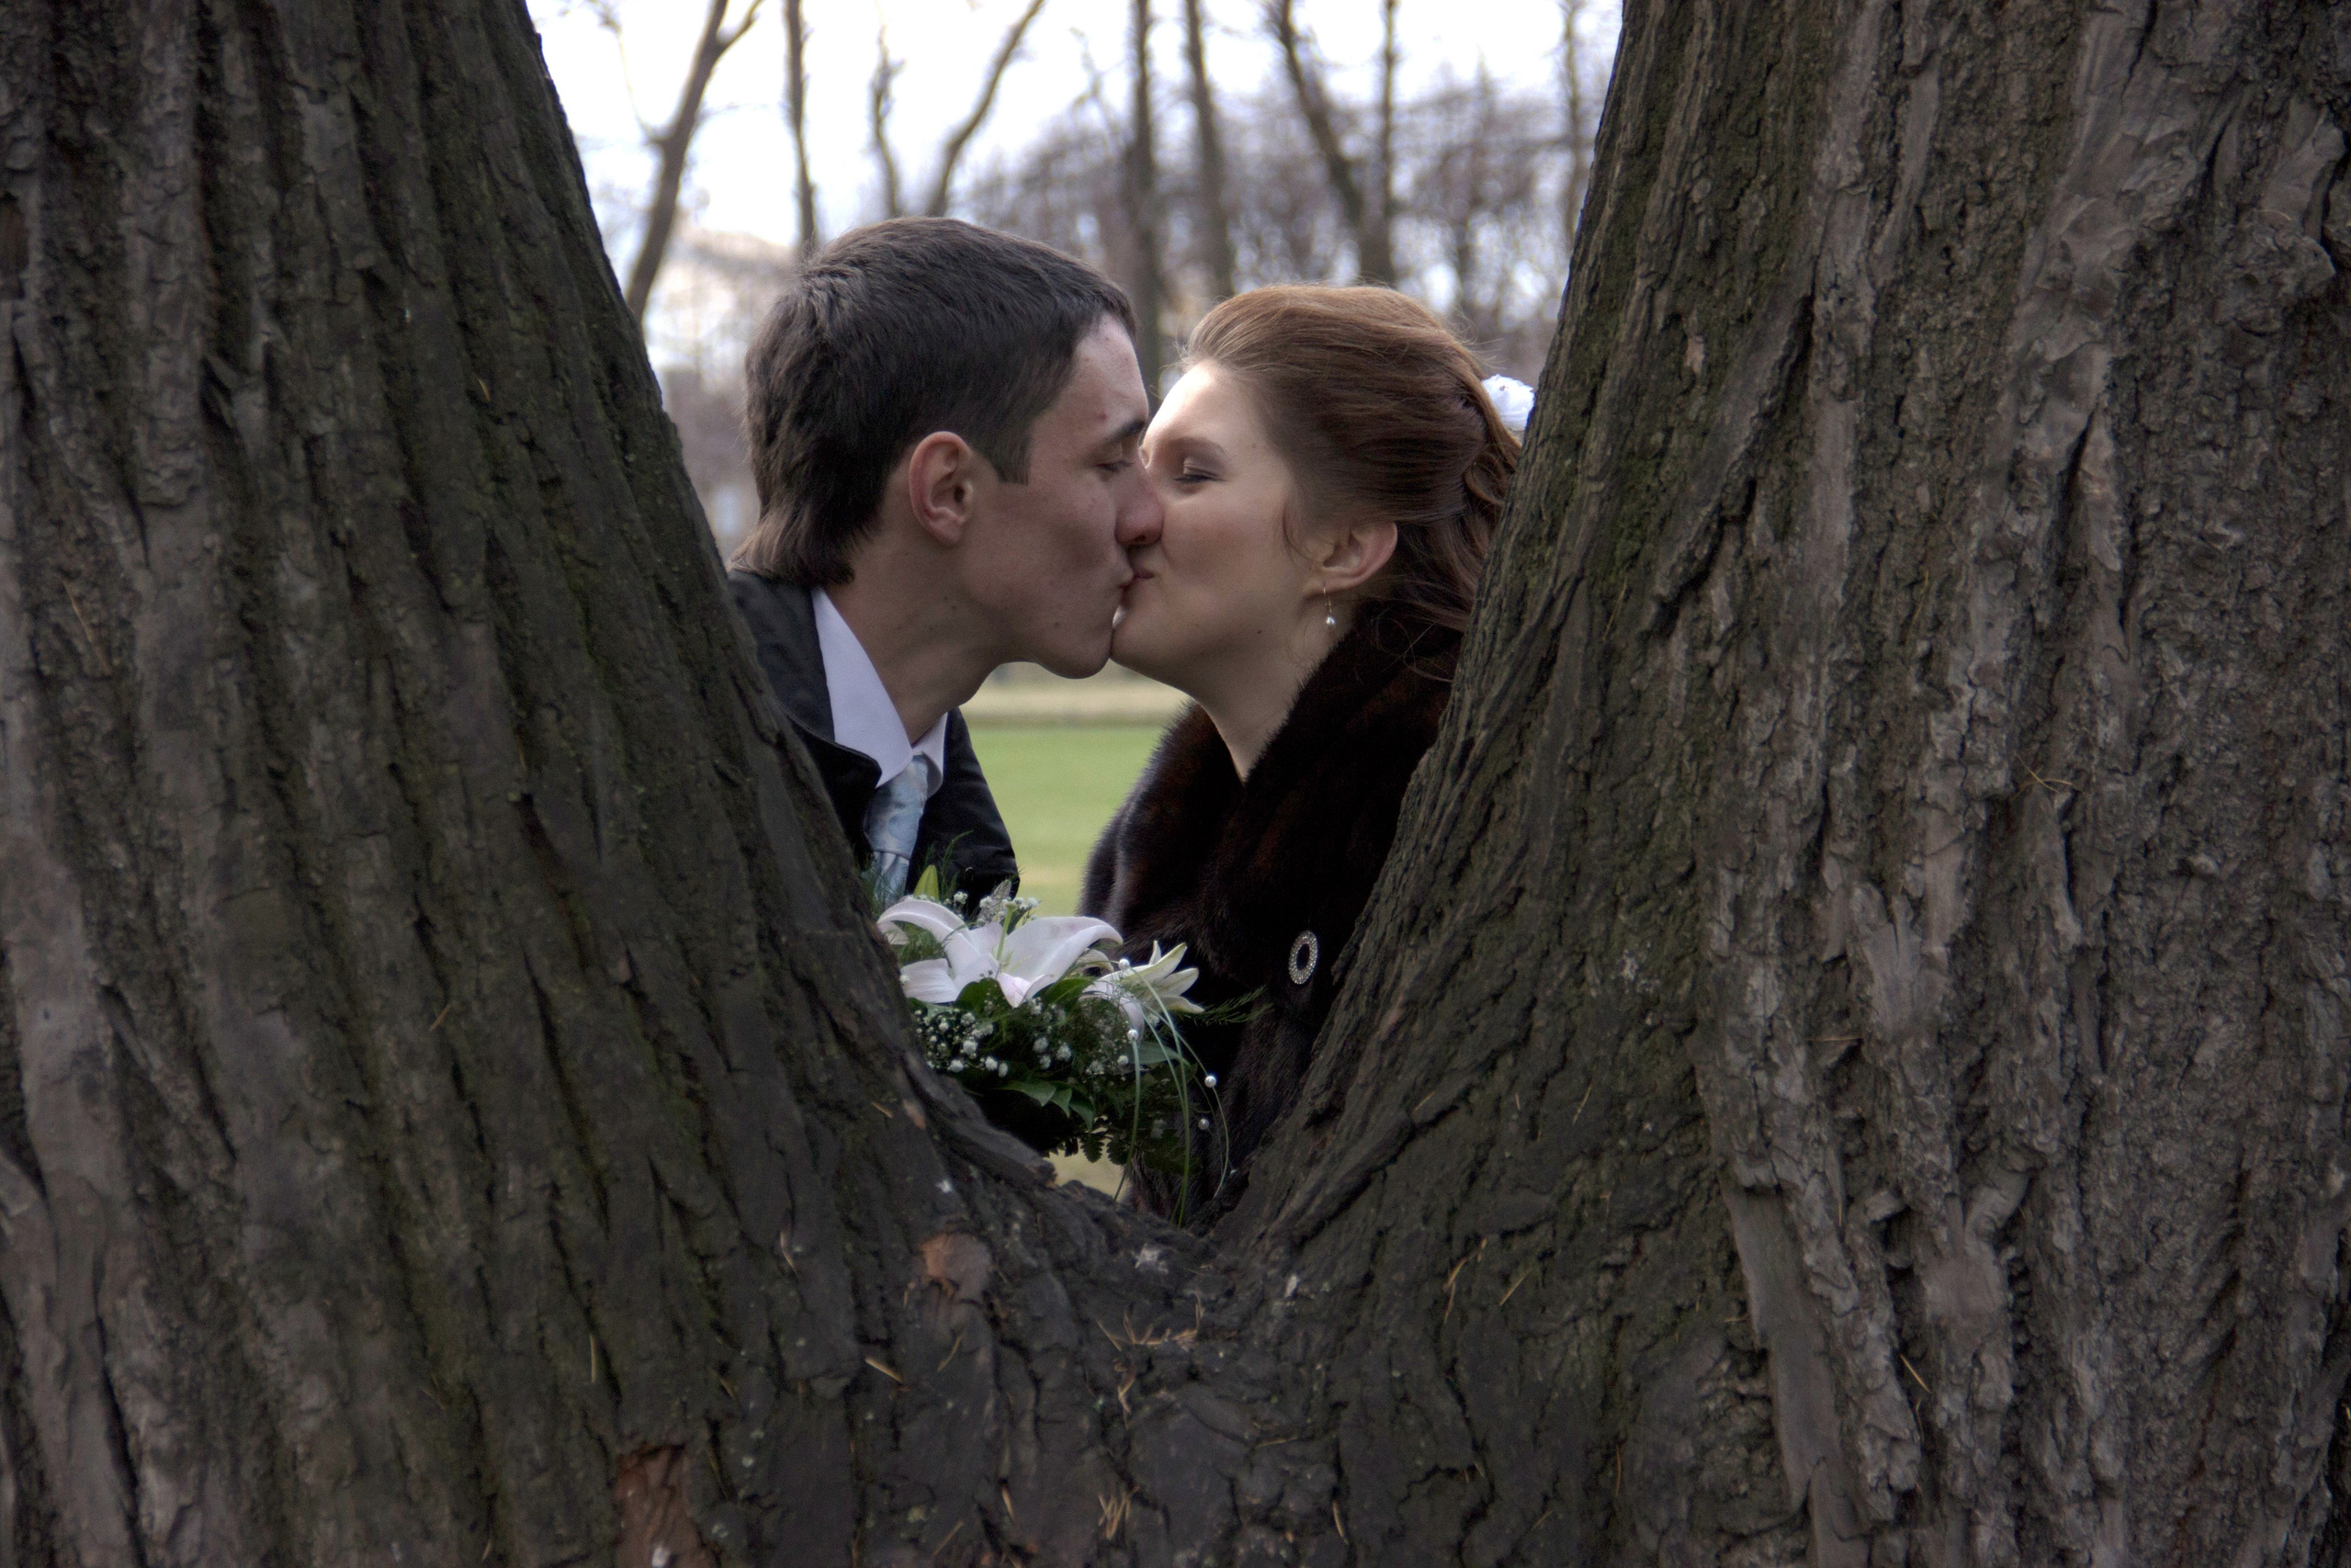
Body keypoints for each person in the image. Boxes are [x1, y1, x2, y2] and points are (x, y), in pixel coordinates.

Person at [1081, 285, 1523, 1224]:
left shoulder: (1447, 843)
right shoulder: (1154, 863)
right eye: (1133, 465)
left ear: (1346, 544)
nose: (1129, 515)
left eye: (1191, 473)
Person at [727, 220, 1161, 906]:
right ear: (947, 491)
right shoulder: (681, 758)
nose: (1148, 517)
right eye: (1110, 462)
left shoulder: (951, 832)